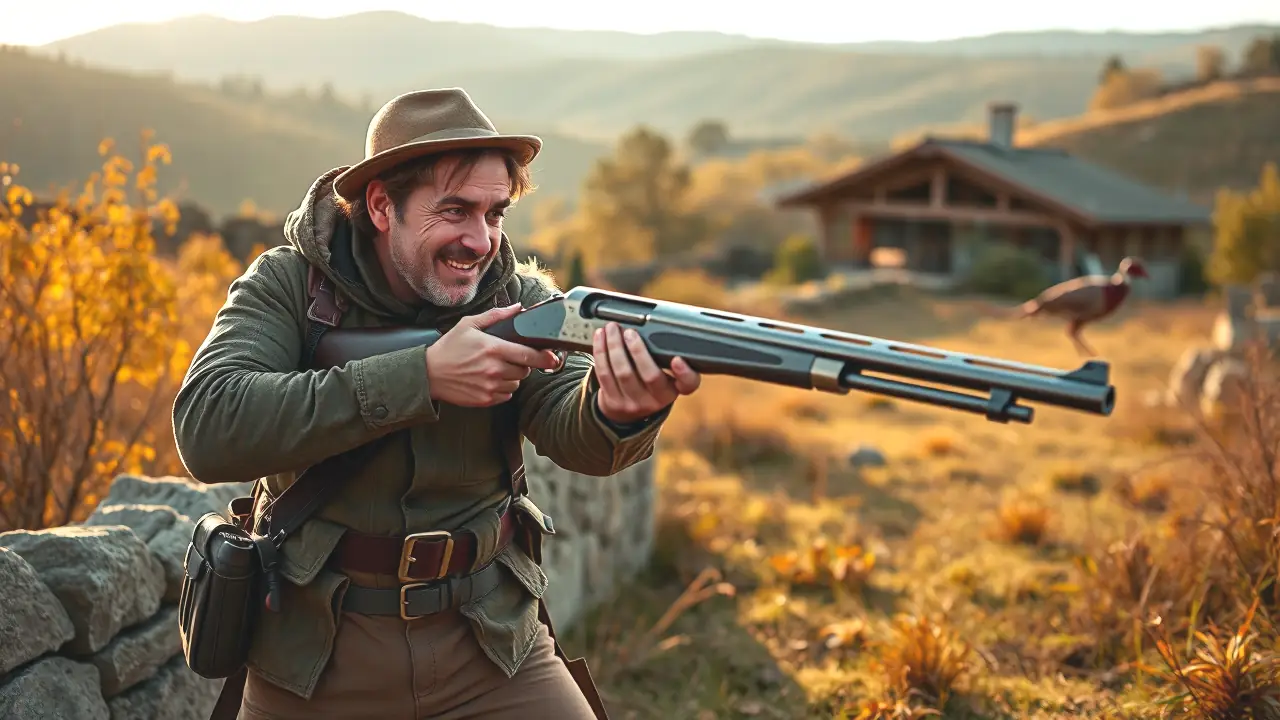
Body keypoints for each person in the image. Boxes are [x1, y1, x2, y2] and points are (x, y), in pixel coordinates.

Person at [172, 87, 702, 719]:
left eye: (496, 214)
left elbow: (573, 425)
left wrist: (621, 408)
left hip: (491, 649)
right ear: (379, 205)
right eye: (454, 211)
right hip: (311, 659)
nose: (480, 241)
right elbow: (206, 423)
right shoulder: (289, 285)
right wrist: (419, 377)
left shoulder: (522, 299)